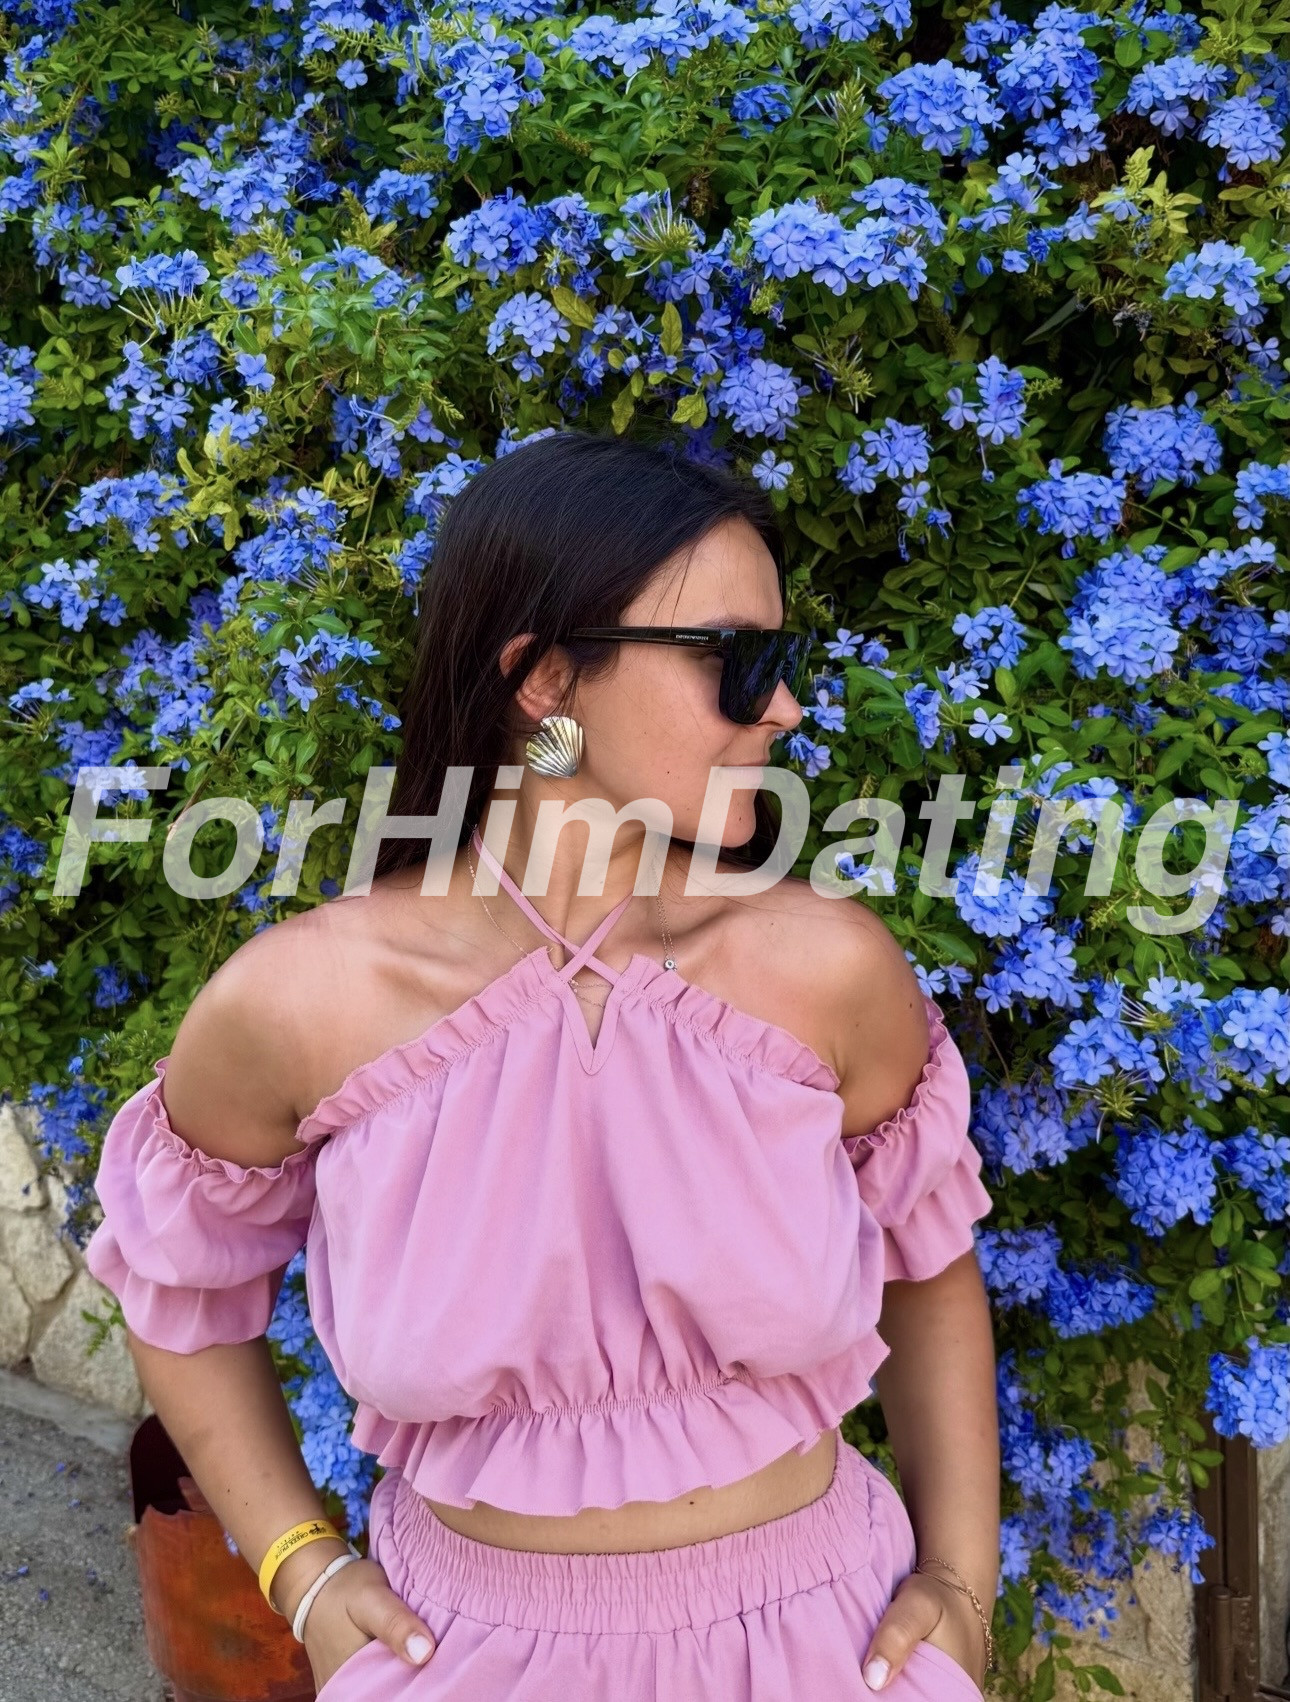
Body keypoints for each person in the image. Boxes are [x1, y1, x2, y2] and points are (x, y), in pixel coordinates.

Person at [85, 428, 999, 1699]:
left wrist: (961, 1586)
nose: (784, 707)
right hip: (456, 1656)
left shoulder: (826, 970)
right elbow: (179, 1291)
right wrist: (300, 1564)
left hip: (828, 1648)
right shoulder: (299, 1005)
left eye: (780, 662)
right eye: (737, 661)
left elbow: (930, 1267)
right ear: (545, 679)